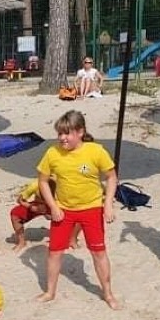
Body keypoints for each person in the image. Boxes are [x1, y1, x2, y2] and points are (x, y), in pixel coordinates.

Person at [36, 110, 119, 308]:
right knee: (54, 252)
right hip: (64, 210)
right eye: (60, 134)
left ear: (80, 132)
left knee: (98, 252)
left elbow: (111, 177)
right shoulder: (52, 152)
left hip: (91, 208)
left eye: (67, 133)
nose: (63, 138)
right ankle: (50, 291)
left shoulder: (96, 151)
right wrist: (53, 206)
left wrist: (107, 204)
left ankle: (107, 293)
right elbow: (43, 181)